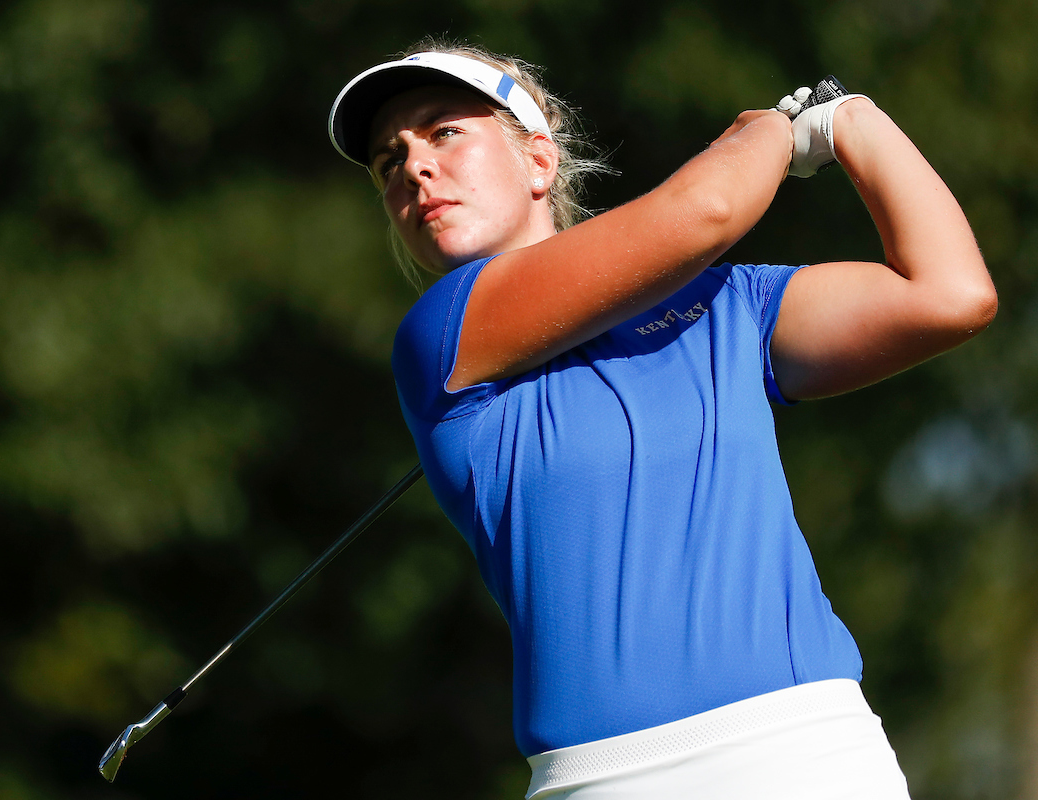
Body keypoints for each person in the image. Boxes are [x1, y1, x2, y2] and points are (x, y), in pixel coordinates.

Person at [328, 41, 996, 800]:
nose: (414, 167)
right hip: (606, 780)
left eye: (443, 132)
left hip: (809, 751)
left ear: (538, 160)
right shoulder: (440, 334)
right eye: (389, 162)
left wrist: (851, 119)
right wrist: (775, 128)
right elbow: (705, 211)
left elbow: (950, 295)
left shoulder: (726, 306)